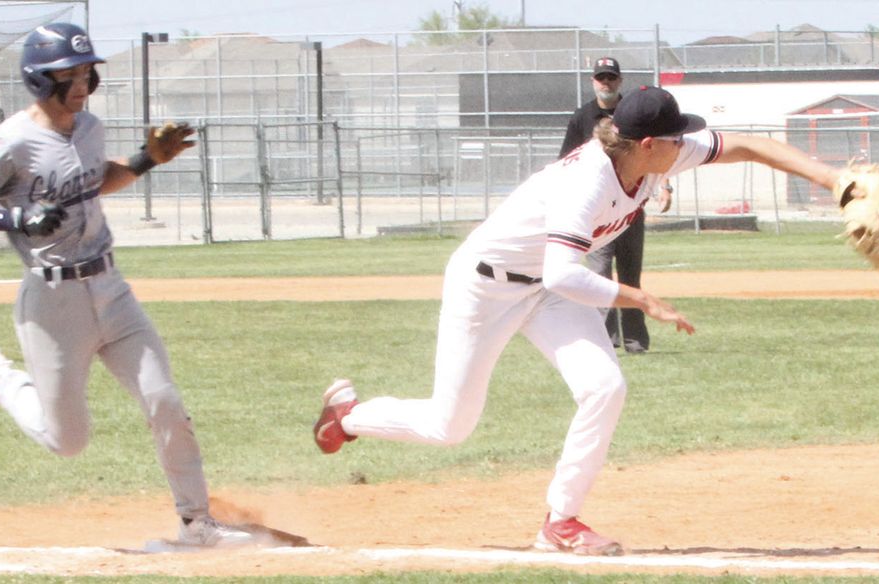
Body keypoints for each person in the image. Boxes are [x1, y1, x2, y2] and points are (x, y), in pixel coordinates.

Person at [312, 86, 844, 556]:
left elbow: (749, 145)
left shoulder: (654, 154)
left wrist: (832, 178)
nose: (687, 144)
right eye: (676, 138)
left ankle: (560, 522)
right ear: (647, 145)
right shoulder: (586, 182)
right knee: (451, 426)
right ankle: (349, 415)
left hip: (547, 290)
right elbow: (564, 273)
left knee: (604, 387)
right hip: (486, 288)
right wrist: (639, 298)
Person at [0, 22, 253, 547]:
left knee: (164, 399)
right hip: (52, 301)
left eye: (88, 70)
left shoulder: (88, 127)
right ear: (40, 79)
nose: (83, 81)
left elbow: (93, 180)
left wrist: (145, 159)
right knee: (68, 442)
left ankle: (196, 522)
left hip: (111, 288)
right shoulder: (14, 139)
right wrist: (16, 220)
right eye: (71, 72)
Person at [558, 56, 672, 354]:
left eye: (611, 77)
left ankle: (635, 342)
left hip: (631, 208)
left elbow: (658, 151)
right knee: (599, 276)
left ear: (620, 81)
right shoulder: (582, 117)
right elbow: (565, 163)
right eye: (600, 77)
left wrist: (665, 184)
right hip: (597, 214)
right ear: (593, 81)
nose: (605, 82)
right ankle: (605, 341)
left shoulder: (633, 113)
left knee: (631, 274)